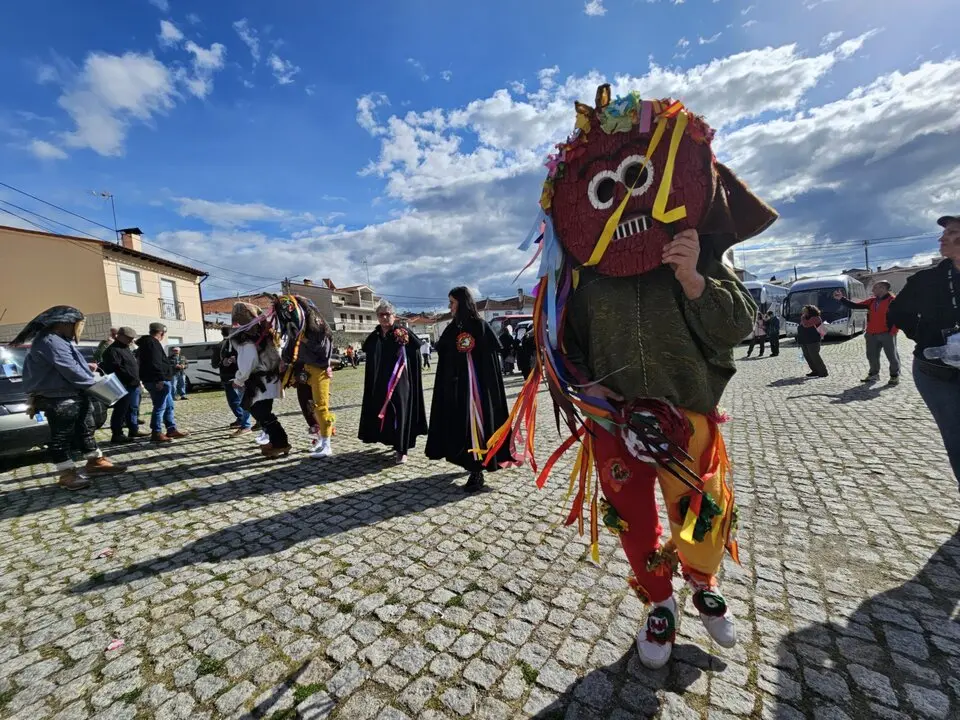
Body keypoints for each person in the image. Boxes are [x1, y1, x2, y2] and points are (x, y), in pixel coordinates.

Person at [485, 86, 777, 669]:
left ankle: (702, 580)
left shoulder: (696, 253)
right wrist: (586, 386)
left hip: (687, 411)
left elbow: (738, 324)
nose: (621, 196)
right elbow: (563, 342)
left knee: (699, 509)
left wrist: (693, 278)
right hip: (614, 421)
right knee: (634, 518)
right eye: (604, 189)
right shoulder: (586, 274)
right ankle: (660, 602)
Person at [11, 306, 127, 490]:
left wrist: (86, 367)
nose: (78, 329)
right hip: (59, 397)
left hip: (72, 394)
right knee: (62, 436)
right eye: (76, 324)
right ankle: (66, 473)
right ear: (63, 323)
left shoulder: (59, 339)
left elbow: (69, 365)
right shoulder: (50, 340)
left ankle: (95, 462)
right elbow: (69, 369)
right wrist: (95, 384)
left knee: (85, 429)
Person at [889, 215, 960, 485]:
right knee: (956, 437)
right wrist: (925, 337)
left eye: (951, 232)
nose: (942, 238)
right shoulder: (927, 279)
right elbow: (898, 312)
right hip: (936, 371)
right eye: (944, 233)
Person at [426, 287, 514, 491]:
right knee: (460, 427)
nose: (449, 306)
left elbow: (489, 363)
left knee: (476, 427)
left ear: (462, 303)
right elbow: (444, 354)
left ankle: (477, 470)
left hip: (478, 393)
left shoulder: (481, 326)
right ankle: (467, 461)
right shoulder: (452, 328)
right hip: (457, 390)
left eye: (452, 302)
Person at [358, 302, 428, 463]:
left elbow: (415, 350)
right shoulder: (375, 335)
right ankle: (392, 440)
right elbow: (368, 352)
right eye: (381, 314)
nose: (384, 317)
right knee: (386, 412)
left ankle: (402, 449)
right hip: (381, 381)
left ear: (394, 316)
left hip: (401, 380)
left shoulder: (402, 332)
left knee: (401, 411)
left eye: (387, 314)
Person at [276, 295, 336, 458]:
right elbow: (290, 351)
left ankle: (327, 444)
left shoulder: (319, 328)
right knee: (307, 406)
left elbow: (323, 352)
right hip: (302, 372)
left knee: (321, 406)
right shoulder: (295, 329)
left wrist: (304, 339)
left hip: (318, 370)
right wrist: (285, 360)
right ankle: (320, 439)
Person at [231, 302, 290, 457]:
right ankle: (277, 441)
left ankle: (280, 443)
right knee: (263, 413)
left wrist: (239, 379)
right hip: (269, 379)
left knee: (261, 413)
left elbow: (248, 361)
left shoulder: (245, 336)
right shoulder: (262, 332)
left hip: (259, 382)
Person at [834, 281, 900, 385]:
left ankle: (894, 376)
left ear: (883, 288)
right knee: (871, 356)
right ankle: (874, 374)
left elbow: (898, 318)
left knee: (892, 356)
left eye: (875, 288)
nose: (872, 290)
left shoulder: (892, 301)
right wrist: (841, 299)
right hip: (871, 334)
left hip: (886, 334)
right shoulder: (872, 301)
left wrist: (893, 332)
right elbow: (855, 305)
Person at [137, 322, 186, 443]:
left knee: (169, 405)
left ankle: (171, 429)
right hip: (158, 380)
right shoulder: (152, 343)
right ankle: (156, 432)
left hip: (160, 379)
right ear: (161, 333)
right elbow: (155, 363)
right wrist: (159, 379)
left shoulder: (147, 343)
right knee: (160, 407)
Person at [100, 327, 142, 444]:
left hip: (132, 384)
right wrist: (131, 378)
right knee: (120, 410)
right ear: (120, 336)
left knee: (132, 408)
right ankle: (117, 434)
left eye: (132, 338)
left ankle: (133, 430)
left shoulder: (126, 348)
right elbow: (117, 369)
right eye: (129, 338)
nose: (131, 340)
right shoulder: (112, 350)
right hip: (122, 385)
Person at [211, 327, 252, 433]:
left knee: (237, 401)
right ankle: (244, 420)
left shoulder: (237, 345)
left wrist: (232, 360)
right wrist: (225, 361)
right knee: (240, 400)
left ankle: (244, 422)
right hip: (235, 376)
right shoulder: (224, 346)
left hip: (235, 377)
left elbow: (214, 364)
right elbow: (215, 363)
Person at [797, 305, 828, 378]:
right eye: (803, 311)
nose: (803, 312)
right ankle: (815, 371)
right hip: (804, 340)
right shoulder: (805, 318)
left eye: (805, 311)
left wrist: (803, 318)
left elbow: (806, 325)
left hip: (813, 341)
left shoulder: (815, 318)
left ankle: (823, 372)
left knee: (814, 356)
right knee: (807, 356)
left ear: (810, 311)